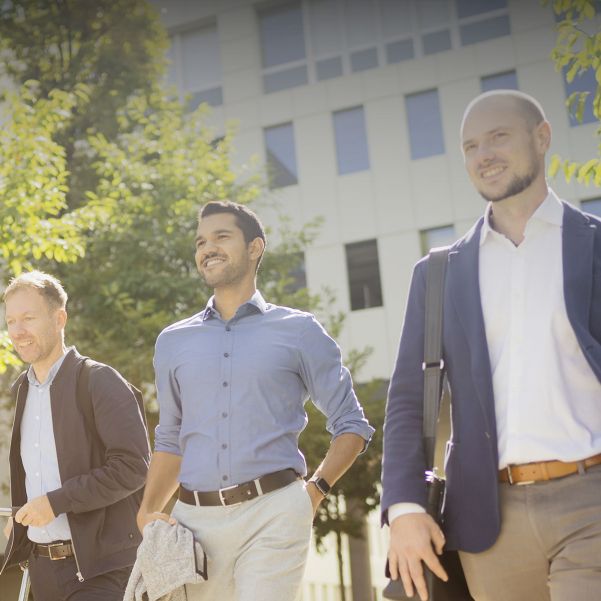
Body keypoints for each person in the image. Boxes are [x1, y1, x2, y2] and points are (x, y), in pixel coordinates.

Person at [381, 90, 601, 601]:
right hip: (487, 518)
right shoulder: (440, 274)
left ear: (542, 137)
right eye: (470, 145)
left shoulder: (593, 247)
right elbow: (408, 400)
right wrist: (405, 507)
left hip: (591, 498)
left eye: (499, 136)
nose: (484, 154)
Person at [137, 200, 374, 601]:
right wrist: (147, 510)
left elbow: (351, 424)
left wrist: (314, 491)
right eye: (200, 242)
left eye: (221, 237)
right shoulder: (172, 341)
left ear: (255, 248)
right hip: (192, 525)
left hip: (274, 513)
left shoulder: (299, 331)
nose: (207, 248)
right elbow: (171, 437)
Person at [1, 271, 151, 600]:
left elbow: (133, 467)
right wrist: (24, 514)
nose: (18, 331)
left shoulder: (100, 381)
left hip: (102, 572)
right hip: (42, 571)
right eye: (11, 321)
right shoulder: (22, 390)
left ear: (59, 319)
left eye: (28, 318)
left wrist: (55, 504)